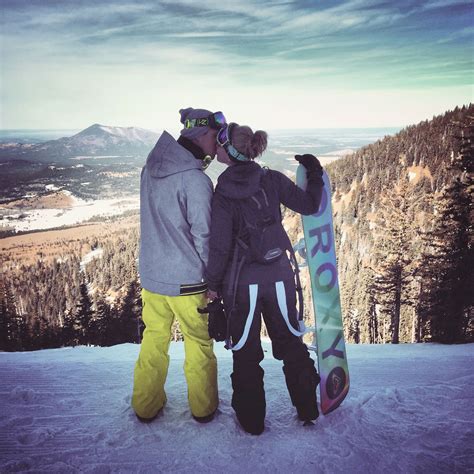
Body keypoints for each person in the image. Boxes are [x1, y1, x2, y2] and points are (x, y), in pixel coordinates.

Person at [206, 122, 325, 435]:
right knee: (290, 343)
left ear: (230, 151)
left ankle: (251, 420)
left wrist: (213, 287)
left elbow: (219, 246)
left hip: (242, 284)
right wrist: (314, 174)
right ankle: (308, 407)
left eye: (221, 142)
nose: (216, 147)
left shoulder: (223, 191)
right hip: (280, 277)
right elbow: (310, 205)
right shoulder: (270, 179)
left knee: (246, 352)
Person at [132, 107, 227, 424]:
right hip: (188, 282)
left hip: (153, 277)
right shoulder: (195, 180)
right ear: (201, 134)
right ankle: (203, 408)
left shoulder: (149, 169)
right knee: (198, 344)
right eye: (215, 137)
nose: (218, 145)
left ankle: (145, 406)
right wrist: (213, 281)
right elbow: (204, 235)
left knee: (153, 341)